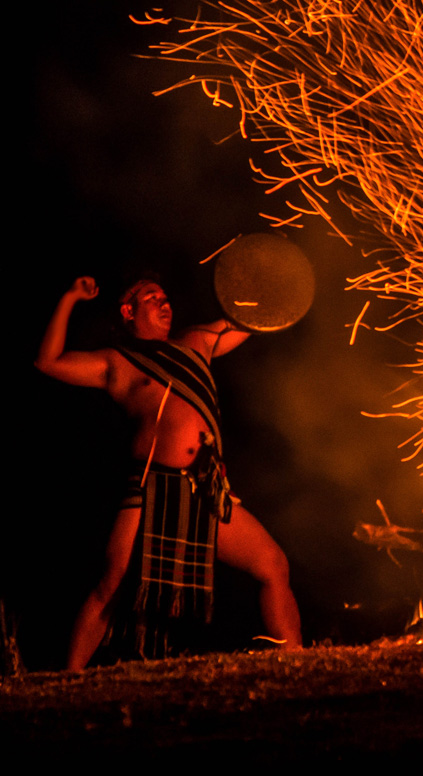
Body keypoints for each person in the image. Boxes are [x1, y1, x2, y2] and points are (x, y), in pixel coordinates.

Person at [34, 275, 302, 668]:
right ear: (129, 311)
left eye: (166, 296)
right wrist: (70, 297)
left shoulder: (196, 341)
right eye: (152, 297)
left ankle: (295, 658)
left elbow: (253, 320)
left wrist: (275, 279)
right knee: (112, 582)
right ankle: (67, 677)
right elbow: (48, 362)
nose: (165, 303)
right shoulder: (116, 363)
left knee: (273, 564)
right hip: (150, 489)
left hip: (206, 489)